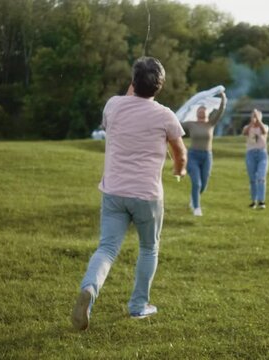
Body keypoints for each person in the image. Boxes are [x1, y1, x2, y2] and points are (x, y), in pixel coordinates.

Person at [70, 57, 187, 331]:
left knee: (107, 249)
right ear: (159, 86)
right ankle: (138, 306)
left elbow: (121, 112)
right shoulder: (166, 115)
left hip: (113, 191)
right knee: (149, 248)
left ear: (132, 81)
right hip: (147, 196)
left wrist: (134, 86)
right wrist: (179, 171)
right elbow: (180, 153)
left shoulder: (113, 105)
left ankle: (89, 287)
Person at [181, 91, 226, 216]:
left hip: (207, 156)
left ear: (207, 113)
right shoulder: (191, 124)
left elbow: (220, 111)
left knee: (203, 185)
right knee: (197, 182)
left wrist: (223, 98)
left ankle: (193, 197)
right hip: (193, 156)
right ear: (196, 113)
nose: (201, 114)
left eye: (203, 112)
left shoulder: (210, 124)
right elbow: (176, 125)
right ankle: (196, 208)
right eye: (199, 112)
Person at [242, 109, 269, 210]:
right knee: (252, 179)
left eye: (257, 116)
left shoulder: (265, 126)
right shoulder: (247, 127)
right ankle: (254, 201)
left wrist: (259, 121)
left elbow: (264, 131)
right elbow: (244, 133)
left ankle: (262, 201)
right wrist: (251, 123)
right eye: (253, 116)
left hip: (262, 154)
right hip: (250, 154)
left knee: (261, 177)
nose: (255, 118)